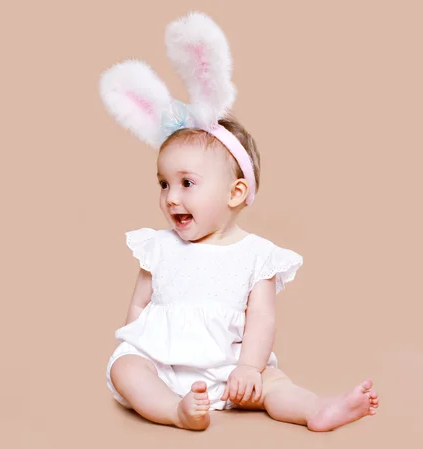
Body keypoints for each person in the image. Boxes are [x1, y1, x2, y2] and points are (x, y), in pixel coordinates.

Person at [98, 11, 379, 432]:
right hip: (164, 365)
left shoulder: (257, 256)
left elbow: (262, 319)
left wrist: (249, 368)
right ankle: (175, 410)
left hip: (233, 370)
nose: (171, 198)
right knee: (126, 369)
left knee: (274, 382)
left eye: (187, 183)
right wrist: (138, 344)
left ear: (235, 193)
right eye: (163, 183)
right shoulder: (158, 246)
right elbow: (139, 303)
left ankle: (317, 410)